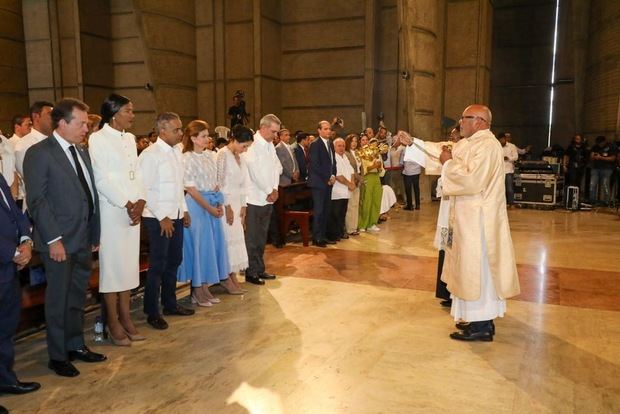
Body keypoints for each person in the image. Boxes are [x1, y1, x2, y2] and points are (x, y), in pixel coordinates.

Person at [23, 98, 106, 376]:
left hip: (82, 239)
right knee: (58, 301)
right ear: (62, 122)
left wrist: (94, 232)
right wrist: (52, 240)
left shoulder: (80, 152)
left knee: (76, 298)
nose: (86, 128)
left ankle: (75, 345)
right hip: (58, 242)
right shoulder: (40, 153)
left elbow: (89, 194)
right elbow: (38, 201)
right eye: (81, 123)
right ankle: (58, 356)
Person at [437, 104, 520, 341]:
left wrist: (447, 164)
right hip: (468, 220)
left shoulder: (487, 145)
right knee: (469, 270)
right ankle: (477, 321)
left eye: (464, 118)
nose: (460, 122)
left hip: (478, 223)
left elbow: (472, 180)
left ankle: (482, 326)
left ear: (479, 121)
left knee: (478, 271)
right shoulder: (474, 143)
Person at [88, 94, 146, 346]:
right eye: (128, 111)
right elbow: (101, 178)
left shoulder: (130, 138)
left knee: (129, 267)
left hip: (133, 213)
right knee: (112, 269)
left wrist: (141, 200)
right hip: (113, 212)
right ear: (114, 114)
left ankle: (126, 317)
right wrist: (127, 203)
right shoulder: (98, 139)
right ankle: (113, 322)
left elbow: (137, 174)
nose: (132, 115)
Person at [138, 112, 195, 330]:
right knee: (158, 265)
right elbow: (146, 189)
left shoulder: (176, 152)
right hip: (158, 217)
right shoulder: (150, 155)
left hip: (177, 214)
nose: (181, 133)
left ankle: (170, 303)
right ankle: (152, 311)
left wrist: (185, 209)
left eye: (181, 129)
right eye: (177, 130)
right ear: (162, 131)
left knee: (174, 260)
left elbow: (178, 184)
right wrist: (162, 216)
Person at [177, 120, 237, 306]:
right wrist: (209, 208)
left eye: (207, 135)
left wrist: (218, 203)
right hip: (197, 205)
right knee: (199, 247)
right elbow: (192, 189)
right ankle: (197, 290)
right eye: (203, 136)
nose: (207, 138)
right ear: (193, 138)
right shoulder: (186, 157)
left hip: (211, 203)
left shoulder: (210, 155)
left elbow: (216, 183)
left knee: (210, 248)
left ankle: (205, 287)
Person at [0, 174, 40, 399]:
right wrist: (13, 253)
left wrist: (26, 240)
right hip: (6, 258)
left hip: (7, 269)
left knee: (5, 327)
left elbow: (16, 214)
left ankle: (5, 380)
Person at [243, 114, 282, 285]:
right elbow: (253, 171)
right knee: (252, 237)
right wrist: (268, 189)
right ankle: (251, 271)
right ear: (264, 128)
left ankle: (260, 268)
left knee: (262, 237)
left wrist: (275, 188)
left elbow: (277, 167)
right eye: (274, 131)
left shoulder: (269, 145)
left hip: (268, 198)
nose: (275, 136)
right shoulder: (253, 144)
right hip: (254, 198)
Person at [217, 124, 253, 292]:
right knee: (228, 241)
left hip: (238, 203)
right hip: (226, 203)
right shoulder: (222, 154)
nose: (245, 150)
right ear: (234, 140)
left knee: (237, 239)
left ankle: (233, 276)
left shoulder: (241, 157)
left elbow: (244, 183)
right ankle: (226, 277)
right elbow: (219, 182)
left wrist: (244, 205)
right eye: (243, 145)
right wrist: (227, 206)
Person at [434, 127, 464, 307]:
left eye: (454, 136)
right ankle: (446, 292)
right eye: (450, 136)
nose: (451, 139)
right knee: (446, 250)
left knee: (455, 252)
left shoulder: (463, 158)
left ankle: (455, 293)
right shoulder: (451, 157)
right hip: (446, 217)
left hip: (458, 217)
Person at [308, 120, 336, 247]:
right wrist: (327, 177)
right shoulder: (315, 144)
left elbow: (333, 162)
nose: (328, 131)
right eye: (325, 129)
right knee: (319, 211)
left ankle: (323, 236)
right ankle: (316, 237)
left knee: (326, 210)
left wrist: (333, 175)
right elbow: (315, 165)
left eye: (329, 129)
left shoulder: (330, 143)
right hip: (319, 183)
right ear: (319, 130)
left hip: (328, 182)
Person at [327, 138, 355, 241]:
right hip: (337, 191)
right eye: (339, 146)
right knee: (335, 214)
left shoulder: (345, 157)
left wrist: (352, 183)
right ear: (334, 147)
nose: (341, 148)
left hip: (346, 191)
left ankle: (340, 232)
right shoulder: (334, 157)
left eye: (343, 146)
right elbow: (338, 175)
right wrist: (349, 184)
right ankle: (334, 235)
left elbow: (351, 171)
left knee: (343, 213)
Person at [358, 138, 383, 232]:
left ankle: (372, 223)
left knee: (376, 200)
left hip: (376, 177)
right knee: (366, 201)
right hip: (367, 177)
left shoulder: (374, 152)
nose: (365, 142)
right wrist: (374, 166)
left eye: (366, 140)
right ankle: (363, 224)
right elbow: (363, 169)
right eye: (363, 140)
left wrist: (379, 166)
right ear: (360, 142)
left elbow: (380, 167)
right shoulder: (360, 153)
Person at [588, 135, 617, 205]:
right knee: (592, 184)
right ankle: (592, 201)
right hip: (595, 168)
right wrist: (592, 156)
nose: (599, 144)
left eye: (601, 143)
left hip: (607, 169)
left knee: (605, 185)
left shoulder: (611, 146)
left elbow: (613, 158)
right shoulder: (595, 147)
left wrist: (600, 157)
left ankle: (606, 202)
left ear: (605, 141)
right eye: (598, 143)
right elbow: (591, 157)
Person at [400, 132, 423, 210]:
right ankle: (411, 205)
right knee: (409, 189)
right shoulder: (405, 148)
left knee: (414, 188)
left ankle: (416, 205)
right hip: (407, 172)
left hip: (413, 172)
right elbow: (403, 160)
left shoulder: (417, 148)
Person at [344, 134, 362, 235]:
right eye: (352, 141)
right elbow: (350, 169)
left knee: (356, 204)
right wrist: (358, 178)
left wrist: (361, 178)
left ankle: (355, 226)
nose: (354, 143)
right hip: (351, 181)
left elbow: (361, 167)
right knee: (351, 205)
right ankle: (350, 228)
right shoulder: (346, 154)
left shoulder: (357, 153)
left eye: (356, 141)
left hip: (358, 181)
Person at [498, 132, 518, 206]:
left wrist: (508, 158)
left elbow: (516, 157)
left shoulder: (512, 146)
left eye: (502, 139)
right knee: (500, 189)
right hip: (500, 171)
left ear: (505, 139)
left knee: (509, 188)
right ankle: (502, 204)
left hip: (509, 170)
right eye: (500, 140)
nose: (501, 141)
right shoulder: (497, 146)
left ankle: (511, 203)